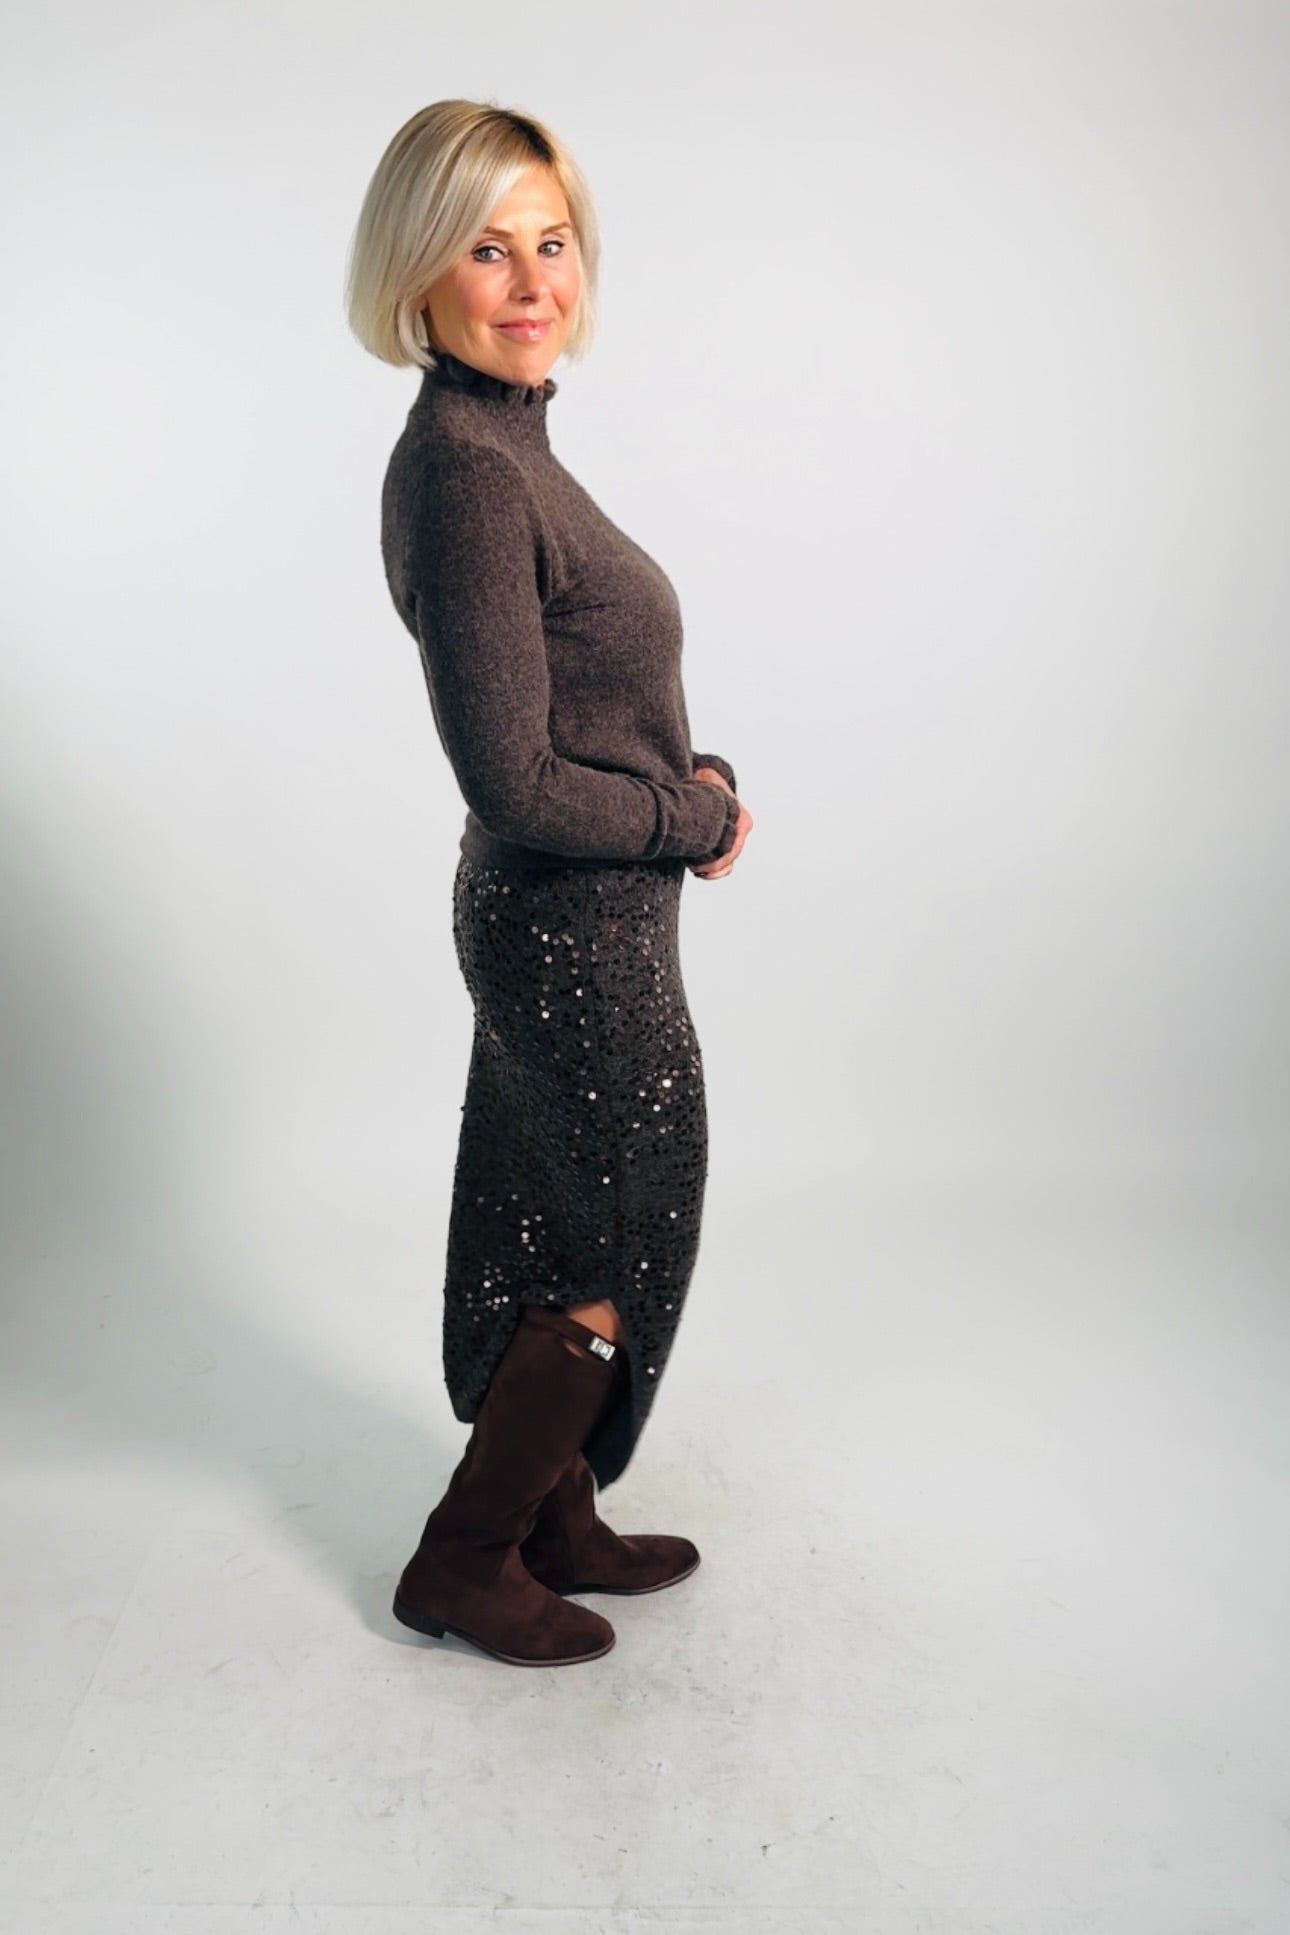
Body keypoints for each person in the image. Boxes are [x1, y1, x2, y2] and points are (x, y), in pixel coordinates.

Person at [344, 99, 753, 1667]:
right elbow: (511, 779)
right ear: (415, 275)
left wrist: (682, 778)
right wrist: (682, 819)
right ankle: (464, 1559)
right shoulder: (465, 470)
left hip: (579, 913)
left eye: (552, 242)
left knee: (559, 1223)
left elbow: (576, 702)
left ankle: (552, 1519)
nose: (531, 283)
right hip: (565, 929)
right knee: (616, 1237)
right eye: (485, 248)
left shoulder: (510, 444)